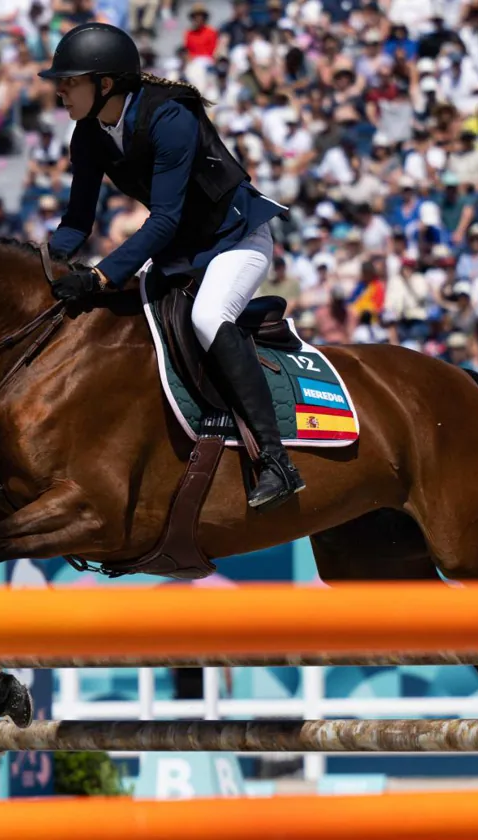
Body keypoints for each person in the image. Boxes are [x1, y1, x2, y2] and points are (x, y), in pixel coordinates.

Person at [40, 23, 303, 511]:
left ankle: (275, 460)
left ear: (105, 85)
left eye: (69, 81)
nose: (59, 90)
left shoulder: (170, 120)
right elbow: (78, 219)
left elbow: (164, 219)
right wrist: (47, 263)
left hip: (235, 240)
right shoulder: (89, 134)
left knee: (208, 318)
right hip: (179, 254)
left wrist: (99, 276)